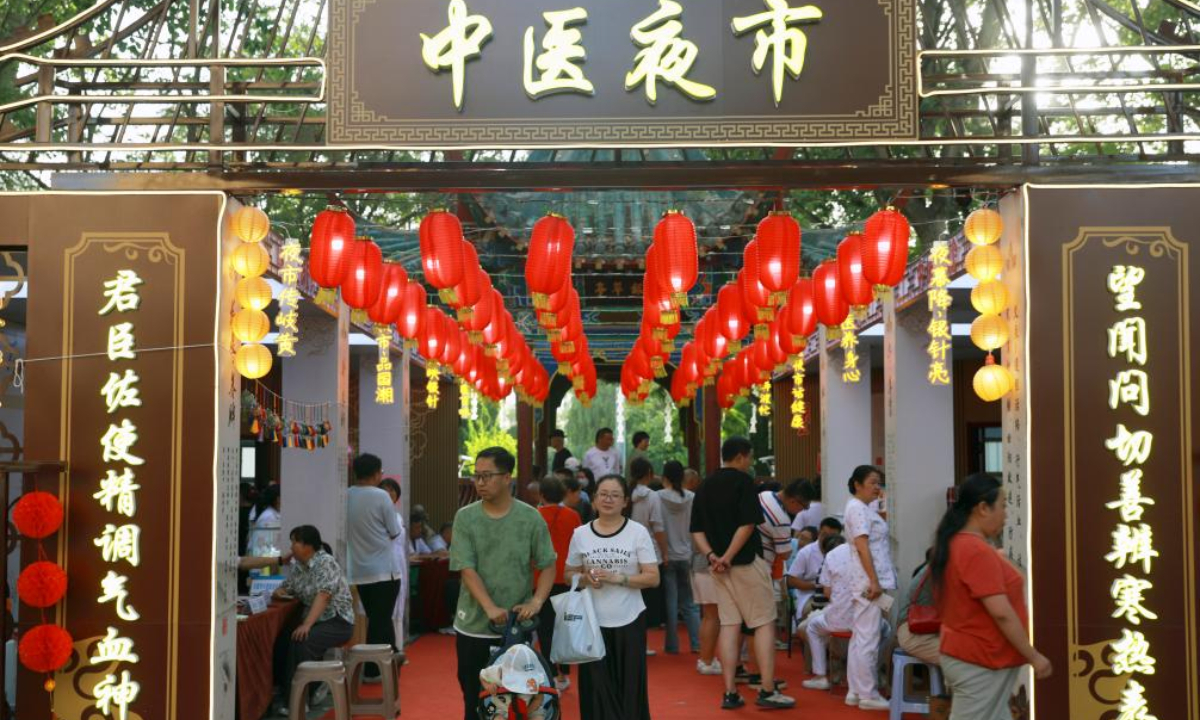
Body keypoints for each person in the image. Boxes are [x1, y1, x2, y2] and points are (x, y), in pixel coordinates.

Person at [932, 473, 1052, 720]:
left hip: (974, 655)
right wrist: (1033, 656)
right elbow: (1001, 612)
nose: (1006, 514)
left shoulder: (959, 543)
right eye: (1003, 506)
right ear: (983, 509)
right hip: (980, 658)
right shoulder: (975, 550)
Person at [450, 447, 557, 720]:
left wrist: (536, 601)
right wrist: (489, 607)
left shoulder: (530, 517)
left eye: (487, 476)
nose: (480, 483)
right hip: (473, 625)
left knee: (517, 700)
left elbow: (547, 564)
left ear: (507, 477)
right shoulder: (466, 517)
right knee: (475, 698)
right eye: (477, 476)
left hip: (516, 629)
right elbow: (466, 567)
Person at [690, 437, 794, 710]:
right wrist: (728, 556)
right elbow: (747, 525)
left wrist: (714, 556)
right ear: (740, 456)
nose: (749, 462)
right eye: (748, 457)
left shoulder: (704, 485)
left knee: (729, 624)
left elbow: (696, 530)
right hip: (746, 562)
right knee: (763, 622)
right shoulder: (744, 483)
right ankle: (767, 689)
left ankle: (730, 692)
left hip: (718, 569)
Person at [564, 475, 660, 720]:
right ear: (594, 498)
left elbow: (653, 577)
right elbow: (568, 574)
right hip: (592, 623)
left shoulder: (637, 532)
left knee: (629, 690)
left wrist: (621, 579)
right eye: (602, 494)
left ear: (625, 501)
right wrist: (586, 578)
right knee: (596, 691)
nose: (608, 499)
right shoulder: (580, 534)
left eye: (615, 495)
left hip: (630, 619)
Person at [272, 525, 355, 709]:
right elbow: (288, 587)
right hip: (317, 621)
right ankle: (287, 692)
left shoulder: (326, 563)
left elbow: (324, 595)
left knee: (302, 640)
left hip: (337, 620)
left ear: (308, 546)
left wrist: (306, 624)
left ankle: (301, 700)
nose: (291, 546)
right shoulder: (298, 567)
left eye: (295, 542)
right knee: (283, 640)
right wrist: (280, 591)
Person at [841, 465, 897, 710]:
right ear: (857, 484)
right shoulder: (857, 508)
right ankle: (867, 693)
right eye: (873, 482)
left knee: (861, 636)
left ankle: (856, 690)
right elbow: (863, 546)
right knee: (868, 637)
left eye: (879, 483)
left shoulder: (861, 507)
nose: (878, 487)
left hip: (865, 579)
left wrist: (881, 502)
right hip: (868, 580)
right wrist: (874, 581)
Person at [346, 454, 404, 679]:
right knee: (381, 621)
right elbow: (395, 531)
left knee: (378, 619)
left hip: (359, 571)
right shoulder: (381, 496)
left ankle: (389, 661)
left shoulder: (347, 495)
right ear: (375, 473)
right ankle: (375, 667)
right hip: (385, 570)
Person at [535, 475, 582, 691]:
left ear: (541, 495)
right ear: (563, 494)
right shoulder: (572, 516)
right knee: (565, 626)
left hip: (540, 579)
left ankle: (550, 673)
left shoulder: (534, 516)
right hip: (566, 577)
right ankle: (564, 672)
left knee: (545, 628)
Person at [657, 460, 701, 655]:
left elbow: (657, 527)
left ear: (664, 477)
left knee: (671, 602)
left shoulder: (657, 497)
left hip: (666, 554)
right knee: (690, 603)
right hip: (687, 554)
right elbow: (695, 527)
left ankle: (672, 645)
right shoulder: (691, 497)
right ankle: (696, 643)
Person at [798, 535, 852, 692]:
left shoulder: (831, 558)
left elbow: (827, 594)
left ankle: (820, 674)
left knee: (809, 627)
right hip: (860, 614)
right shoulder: (869, 555)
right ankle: (873, 673)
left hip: (835, 611)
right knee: (885, 630)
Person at [684, 467, 722, 676]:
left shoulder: (698, 507)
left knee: (710, 615)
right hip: (707, 566)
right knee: (712, 616)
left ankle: (707, 658)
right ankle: (706, 659)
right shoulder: (711, 513)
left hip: (699, 565)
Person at [629, 457, 668, 637]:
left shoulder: (626, 493)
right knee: (647, 599)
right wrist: (665, 552)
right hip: (648, 549)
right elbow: (658, 527)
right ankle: (642, 637)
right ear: (650, 474)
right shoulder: (652, 495)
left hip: (626, 549)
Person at [787, 518, 843, 623]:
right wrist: (817, 585)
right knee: (816, 614)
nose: (828, 539)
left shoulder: (841, 552)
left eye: (832, 536)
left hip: (836, 596)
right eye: (825, 535)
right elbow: (791, 580)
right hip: (809, 596)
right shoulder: (806, 553)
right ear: (819, 533)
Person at [379, 478, 410, 650]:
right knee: (389, 607)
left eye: (392, 490)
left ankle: (398, 647)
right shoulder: (380, 513)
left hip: (398, 561)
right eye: (385, 489)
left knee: (399, 605)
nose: (389, 493)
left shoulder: (396, 514)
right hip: (385, 561)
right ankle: (390, 649)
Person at [895, 551, 938, 665]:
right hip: (915, 630)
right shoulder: (940, 570)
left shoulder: (926, 569)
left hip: (919, 628)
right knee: (964, 658)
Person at [247, 484, 283, 557]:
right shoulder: (268, 517)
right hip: (262, 562)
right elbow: (263, 546)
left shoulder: (274, 514)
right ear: (278, 499)